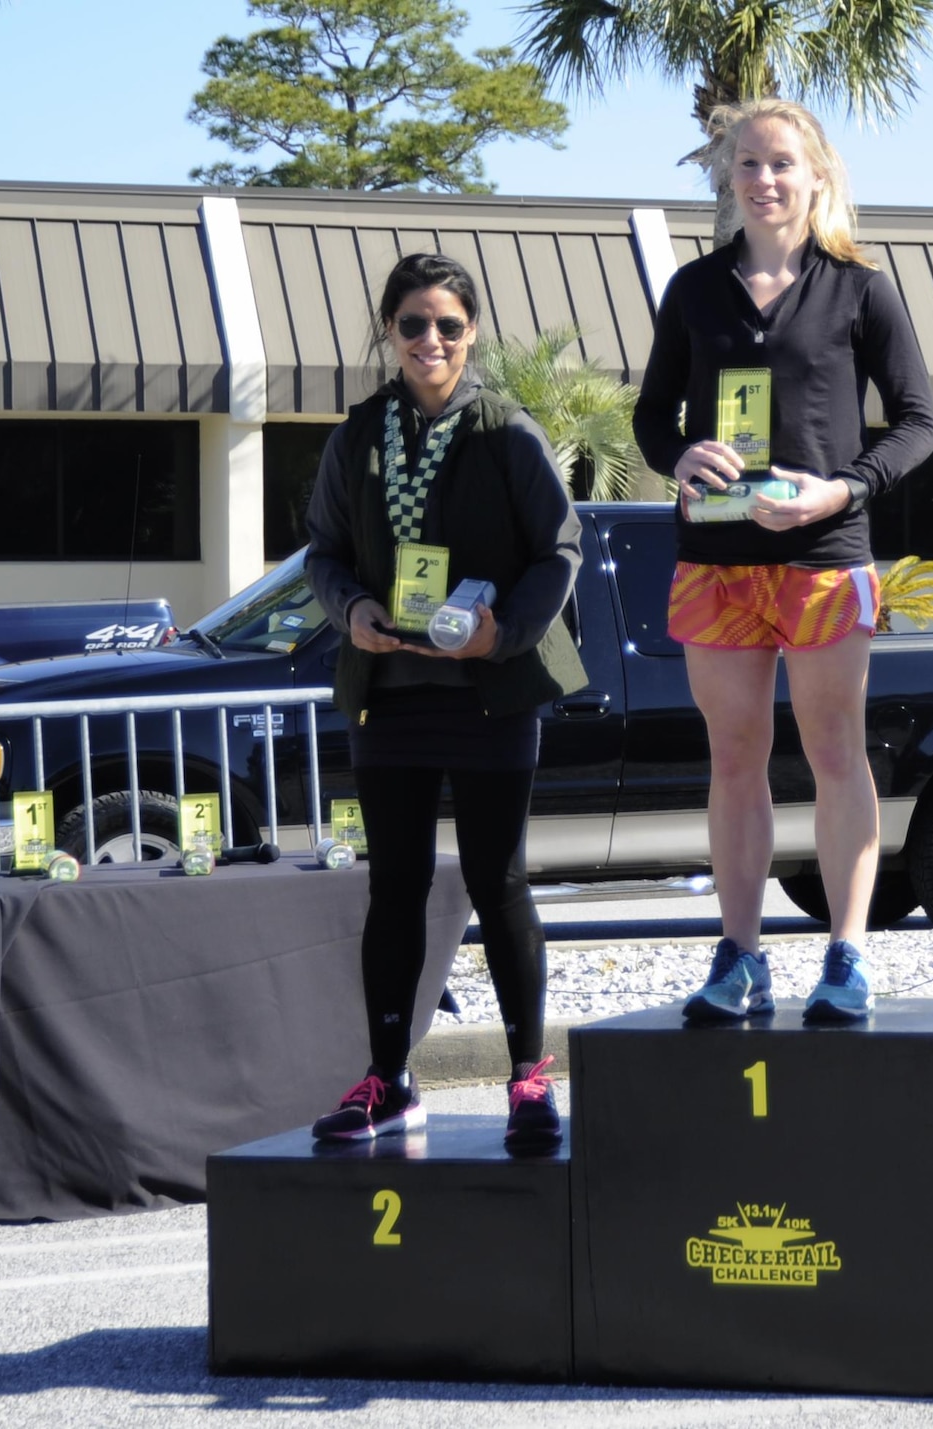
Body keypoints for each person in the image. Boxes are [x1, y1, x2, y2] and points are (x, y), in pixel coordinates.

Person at [633, 97, 933, 1024]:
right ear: (728, 179)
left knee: (836, 753)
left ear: (818, 177)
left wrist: (840, 491)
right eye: (749, 165)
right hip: (716, 560)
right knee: (735, 759)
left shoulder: (861, 288)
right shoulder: (693, 291)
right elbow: (653, 419)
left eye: (782, 165)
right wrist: (678, 456)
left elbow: (919, 423)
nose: (765, 181)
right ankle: (740, 955)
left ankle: (846, 954)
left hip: (823, 556)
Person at [304, 252, 588, 1151]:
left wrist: (501, 632)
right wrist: (352, 610)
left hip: (491, 694)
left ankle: (529, 1077)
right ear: (389, 330)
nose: (431, 340)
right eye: (413, 323)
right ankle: (388, 1079)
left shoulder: (507, 431)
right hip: (389, 691)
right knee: (395, 888)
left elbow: (560, 550)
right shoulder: (358, 435)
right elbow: (322, 551)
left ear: (472, 333)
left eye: (449, 325)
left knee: (498, 880)